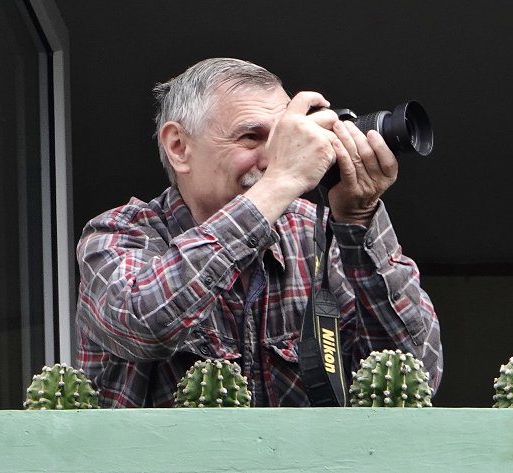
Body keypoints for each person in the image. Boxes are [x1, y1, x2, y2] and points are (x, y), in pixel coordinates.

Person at [75, 57, 443, 407]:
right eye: (252, 137)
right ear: (179, 147)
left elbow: (415, 374)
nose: (273, 159)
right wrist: (281, 181)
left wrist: (358, 218)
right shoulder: (119, 233)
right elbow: (142, 322)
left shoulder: (320, 237)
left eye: (284, 139)